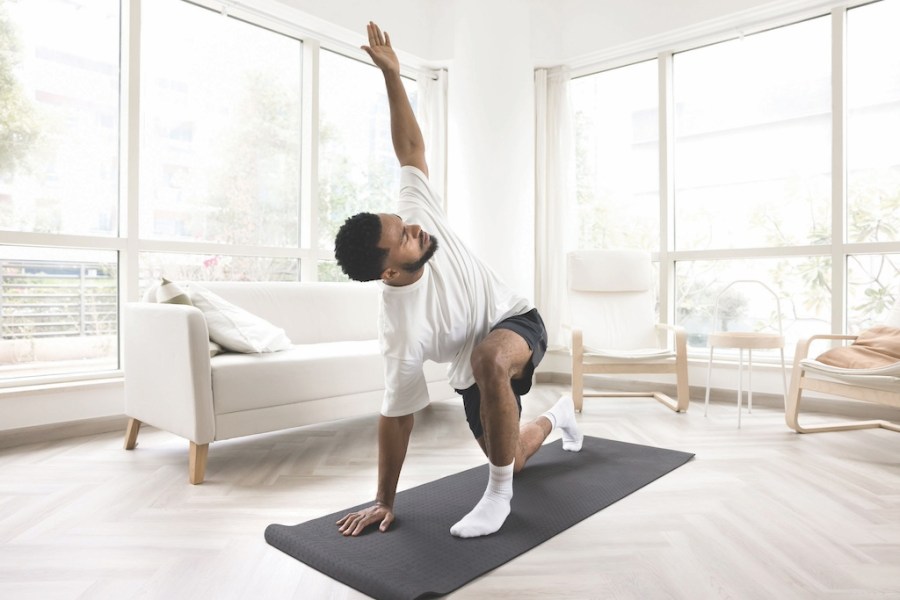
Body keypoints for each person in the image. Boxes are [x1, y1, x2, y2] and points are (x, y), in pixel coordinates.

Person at [334, 21, 583, 539]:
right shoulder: (399, 330)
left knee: (488, 356)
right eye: (402, 237)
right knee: (512, 459)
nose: (414, 228)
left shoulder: (416, 215)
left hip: (514, 321)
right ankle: (557, 418)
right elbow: (396, 415)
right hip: (474, 377)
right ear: (388, 271)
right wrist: (384, 500)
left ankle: (496, 499)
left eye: (403, 223)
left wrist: (393, 77)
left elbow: (409, 149)